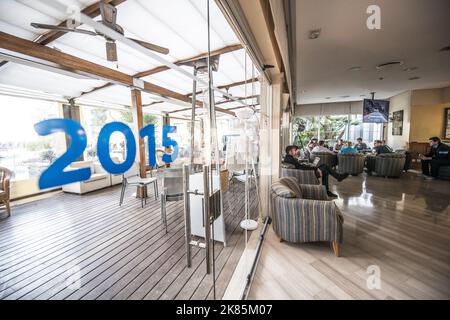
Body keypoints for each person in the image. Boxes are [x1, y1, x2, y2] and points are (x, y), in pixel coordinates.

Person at [283, 145, 348, 198]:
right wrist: (315, 168)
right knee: (325, 167)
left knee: (325, 169)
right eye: (295, 150)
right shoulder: (290, 159)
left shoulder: (288, 158)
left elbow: (299, 166)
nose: (296, 152)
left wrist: (313, 167)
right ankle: (337, 178)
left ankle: (327, 190)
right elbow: (301, 167)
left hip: (306, 172)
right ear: (290, 151)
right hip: (308, 174)